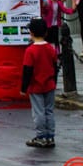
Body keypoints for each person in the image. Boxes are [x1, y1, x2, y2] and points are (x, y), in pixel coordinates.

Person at [20, 18, 59, 148]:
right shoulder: (50, 48)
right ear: (46, 32)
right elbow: (55, 66)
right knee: (49, 111)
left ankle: (41, 136)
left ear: (31, 33)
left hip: (36, 86)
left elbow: (27, 71)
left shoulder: (30, 51)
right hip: (49, 84)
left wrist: (23, 88)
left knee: (38, 112)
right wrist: (54, 81)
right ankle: (50, 136)